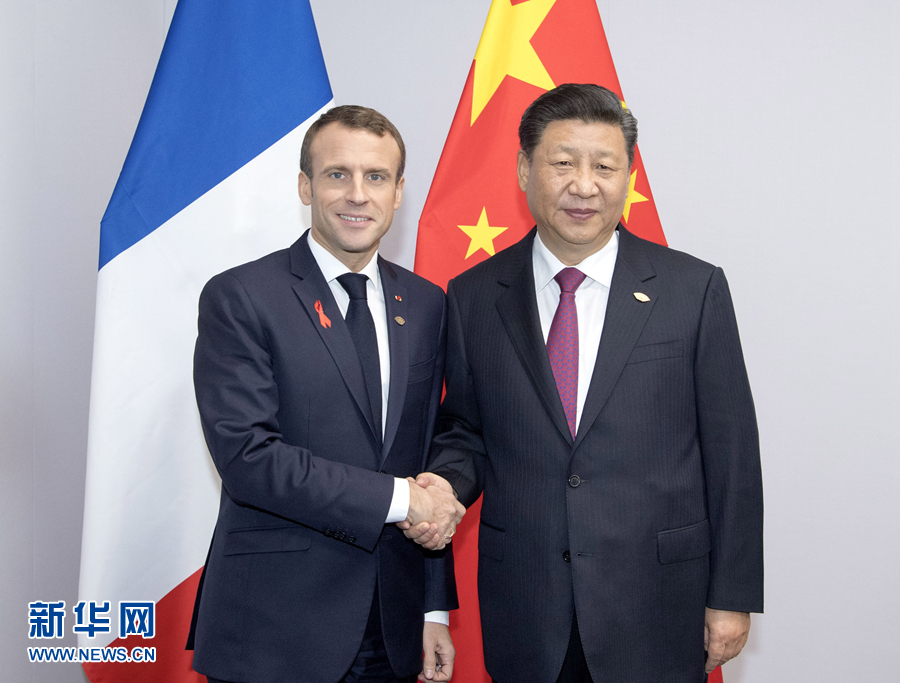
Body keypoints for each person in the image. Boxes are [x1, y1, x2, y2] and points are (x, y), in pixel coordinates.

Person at [406, 84, 763, 683]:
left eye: (604, 166)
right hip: (527, 602)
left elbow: (732, 454)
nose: (584, 185)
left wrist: (732, 595)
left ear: (628, 177)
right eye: (563, 163)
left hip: (657, 602)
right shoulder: (473, 296)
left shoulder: (692, 290)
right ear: (525, 170)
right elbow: (467, 431)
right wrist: (444, 486)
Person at [187, 105, 465, 683]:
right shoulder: (241, 296)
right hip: (274, 633)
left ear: (398, 192)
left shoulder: (427, 304)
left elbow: (424, 458)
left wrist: (432, 609)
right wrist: (401, 500)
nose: (357, 194)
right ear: (305, 186)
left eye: (376, 176)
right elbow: (248, 460)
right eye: (338, 174)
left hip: (392, 629)